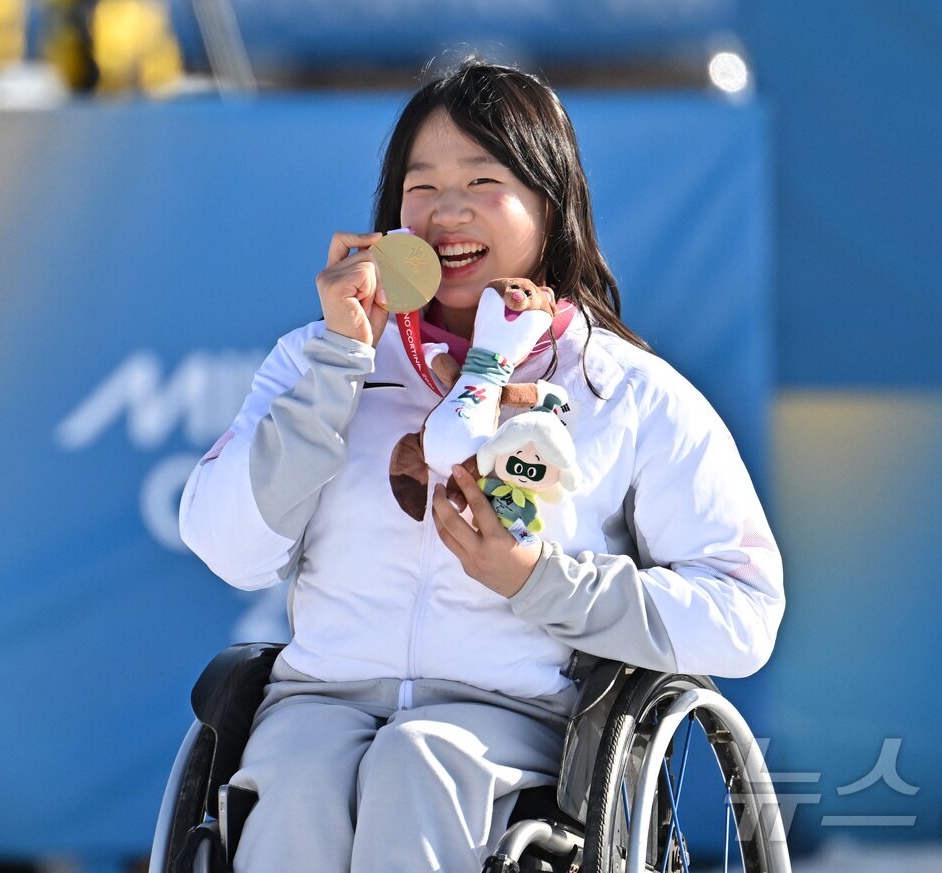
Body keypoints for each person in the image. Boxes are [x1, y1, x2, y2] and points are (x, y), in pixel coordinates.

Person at [178, 58, 784, 873]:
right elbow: (229, 547)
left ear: (550, 203)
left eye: (483, 179)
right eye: (419, 186)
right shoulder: (318, 359)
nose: (446, 212)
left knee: (417, 763)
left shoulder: (622, 390)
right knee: (293, 782)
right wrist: (337, 367)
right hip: (318, 702)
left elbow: (743, 609)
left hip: (513, 723)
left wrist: (543, 581)